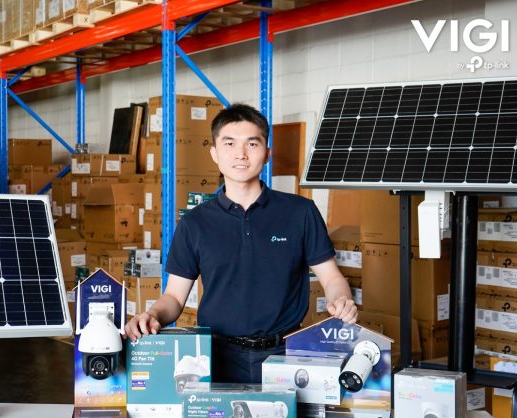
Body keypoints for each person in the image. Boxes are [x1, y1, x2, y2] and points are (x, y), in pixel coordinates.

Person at [125, 103, 357, 383]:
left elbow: (331, 278)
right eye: (229, 143)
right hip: (216, 357)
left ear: (267, 153)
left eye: (252, 143)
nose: (241, 154)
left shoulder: (300, 212)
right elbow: (174, 297)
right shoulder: (194, 223)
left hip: (285, 354)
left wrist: (341, 300)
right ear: (214, 153)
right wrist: (152, 315)